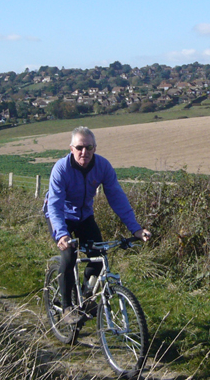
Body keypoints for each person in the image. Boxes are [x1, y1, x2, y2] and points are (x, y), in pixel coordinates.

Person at [43, 126, 150, 324]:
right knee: (68, 255)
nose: (85, 152)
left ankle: (87, 297)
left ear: (95, 148)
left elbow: (117, 197)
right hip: (61, 216)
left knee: (98, 256)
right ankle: (67, 307)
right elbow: (55, 205)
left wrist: (135, 228)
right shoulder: (61, 169)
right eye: (80, 147)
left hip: (84, 216)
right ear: (71, 148)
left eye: (89, 147)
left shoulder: (103, 166)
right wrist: (61, 235)